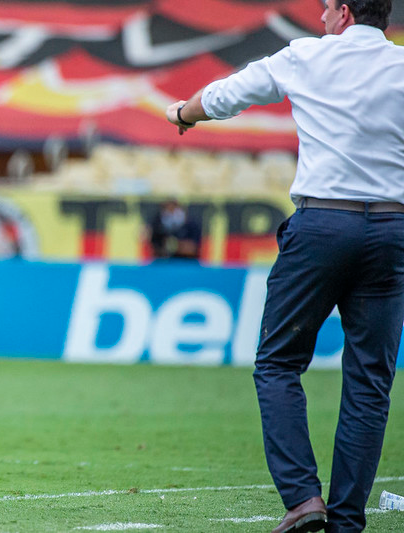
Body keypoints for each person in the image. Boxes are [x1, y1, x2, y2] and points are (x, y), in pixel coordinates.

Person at [165, 1, 403, 531]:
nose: (319, 18)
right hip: (392, 230)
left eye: (323, 8)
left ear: (342, 12)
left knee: (277, 362)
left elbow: (224, 96)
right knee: (369, 383)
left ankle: (302, 499)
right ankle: (346, 522)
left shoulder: (306, 56)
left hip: (322, 226)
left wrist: (183, 113)